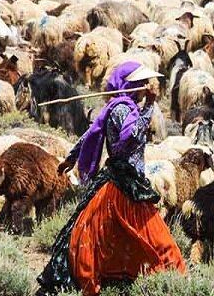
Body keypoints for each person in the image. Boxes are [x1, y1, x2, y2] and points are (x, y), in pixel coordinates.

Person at [37, 62, 186, 296]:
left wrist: (71, 158)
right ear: (129, 85)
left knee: (113, 233)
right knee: (148, 236)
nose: (145, 88)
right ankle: (165, 273)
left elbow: (90, 132)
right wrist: (150, 105)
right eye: (140, 84)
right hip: (122, 183)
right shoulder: (121, 110)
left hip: (128, 179)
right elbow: (131, 138)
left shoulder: (118, 108)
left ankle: (122, 275)